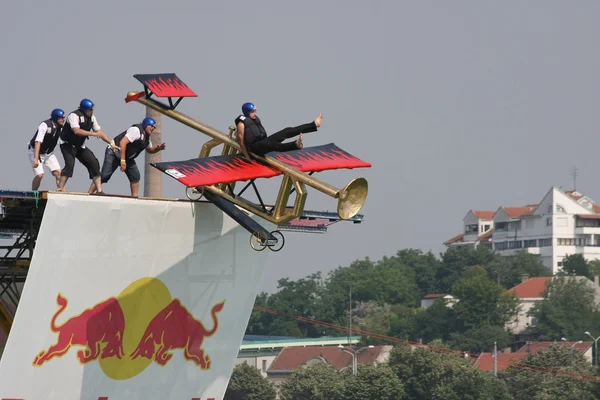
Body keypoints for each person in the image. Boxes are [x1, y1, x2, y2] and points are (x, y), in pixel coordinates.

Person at [92, 117, 166, 197]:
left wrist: (158, 148)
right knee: (104, 175)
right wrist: (123, 161)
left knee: (135, 176)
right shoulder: (136, 130)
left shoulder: (147, 137)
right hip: (114, 152)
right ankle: (89, 194)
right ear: (146, 125)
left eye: (154, 127)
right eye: (151, 126)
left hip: (127, 157)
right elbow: (122, 143)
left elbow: (150, 149)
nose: (153, 129)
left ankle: (134, 198)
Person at [57, 99, 116, 194]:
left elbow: (100, 132)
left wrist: (111, 143)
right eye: (90, 110)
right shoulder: (74, 116)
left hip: (80, 146)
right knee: (70, 165)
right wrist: (92, 134)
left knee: (94, 163)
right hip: (67, 144)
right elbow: (76, 130)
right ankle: (60, 189)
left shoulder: (92, 118)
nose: (92, 112)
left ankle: (99, 191)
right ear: (85, 110)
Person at [234, 102, 323, 159]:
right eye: (252, 112)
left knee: (286, 131)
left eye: (255, 111)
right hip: (253, 149)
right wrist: (248, 157)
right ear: (247, 112)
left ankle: (313, 125)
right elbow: (241, 142)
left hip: (262, 143)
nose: (255, 114)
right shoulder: (241, 124)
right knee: (272, 145)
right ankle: (295, 145)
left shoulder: (254, 119)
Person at [28, 108, 65, 190]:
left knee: (59, 173)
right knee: (40, 175)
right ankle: (34, 194)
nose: (63, 120)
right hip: (35, 151)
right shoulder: (45, 125)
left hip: (48, 153)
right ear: (56, 118)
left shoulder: (60, 127)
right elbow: (38, 142)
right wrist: (36, 158)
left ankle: (63, 195)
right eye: (61, 118)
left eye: (63, 118)